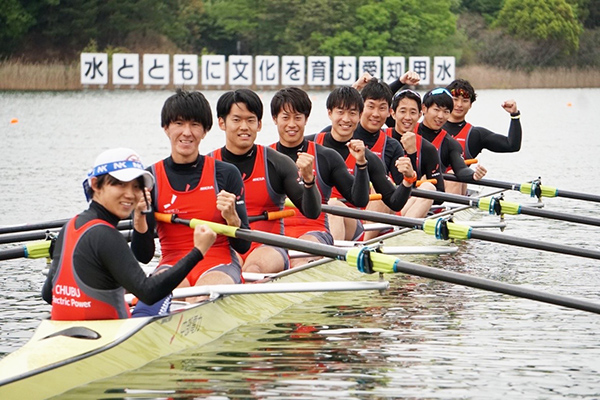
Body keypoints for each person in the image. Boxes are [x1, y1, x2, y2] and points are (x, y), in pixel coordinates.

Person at [42, 148, 217, 320]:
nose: (130, 194)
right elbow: (149, 292)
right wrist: (198, 251)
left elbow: (49, 294)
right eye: (120, 184)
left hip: (64, 328)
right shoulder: (106, 234)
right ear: (95, 185)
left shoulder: (69, 227)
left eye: (136, 187)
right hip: (109, 335)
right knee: (162, 292)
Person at [131, 89, 251, 303]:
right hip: (172, 264)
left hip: (218, 262)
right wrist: (139, 218)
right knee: (159, 300)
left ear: (205, 131)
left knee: (199, 297)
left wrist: (232, 218)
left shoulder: (225, 174)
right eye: (179, 123)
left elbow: (243, 246)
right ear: (166, 128)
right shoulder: (150, 179)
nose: (187, 132)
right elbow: (144, 256)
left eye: (195, 125)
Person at [210, 88, 322, 274]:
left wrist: (309, 181)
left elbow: (312, 211)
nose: (244, 127)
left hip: (268, 247)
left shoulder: (277, 163)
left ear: (259, 124)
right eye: (236, 120)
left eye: (251, 120)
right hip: (227, 247)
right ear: (222, 123)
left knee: (252, 268)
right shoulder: (208, 166)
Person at [269, 87, 370, 266]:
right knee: (254, 265)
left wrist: (361, 164)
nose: (292, 124)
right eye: (285, 117)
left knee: (298, 257)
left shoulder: (326, 156)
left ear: (306, 119)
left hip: (313, 232)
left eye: (298, 117)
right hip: (274, 233)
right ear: (275, 119)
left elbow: (359, 200)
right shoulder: (265, 157)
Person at [306, 86, 415, 241]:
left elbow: (394, 202)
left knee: (333, 205)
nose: (346, 119)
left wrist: (408, 179)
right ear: (329, 113)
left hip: (352, 220)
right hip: (311, 220)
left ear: (359, 116)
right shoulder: (309, 144)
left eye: (352, 113)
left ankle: (334, 258)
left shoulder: (367, 156)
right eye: (340, 112)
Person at [443, 79, 521, 193]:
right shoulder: (430, 127)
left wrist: (514, 115)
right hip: (430, 184)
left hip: (456, 184)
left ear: (470, 105)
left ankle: (450, 208)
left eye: (464, 101)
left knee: (453, 175)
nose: (459, 105)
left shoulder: (475, 135)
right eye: (455, 100)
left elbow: (512, 145)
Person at [414, 87, 487, 194]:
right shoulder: (406, 129)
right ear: (424, 108)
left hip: (432, 196)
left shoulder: (450, 143)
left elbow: (461, 169)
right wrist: (401, 82)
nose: (440, 116)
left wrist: (473, 175)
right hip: (404, 193)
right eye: (436, 110)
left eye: (446, 112)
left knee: (451, 177)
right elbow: (383, 104)